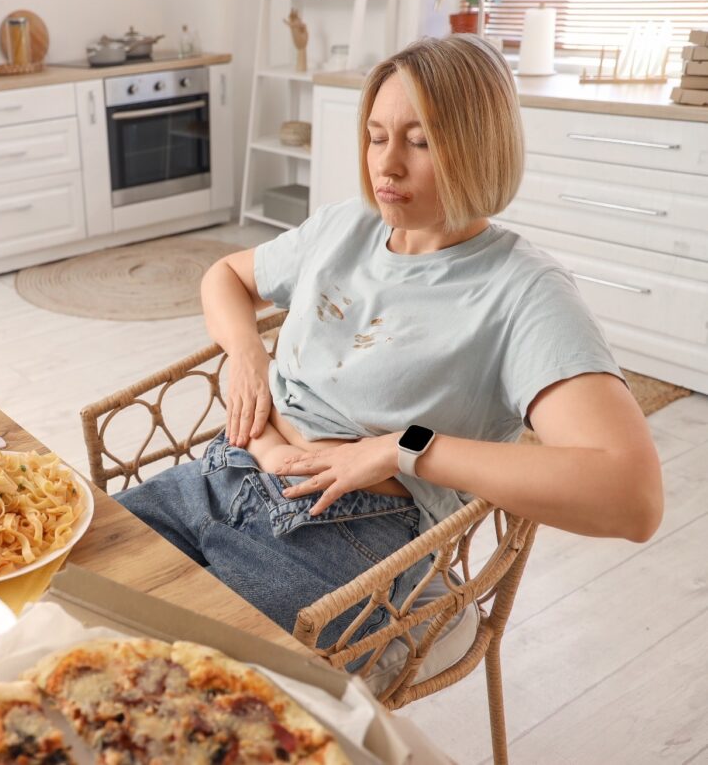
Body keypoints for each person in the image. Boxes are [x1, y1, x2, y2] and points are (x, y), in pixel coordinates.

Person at [116, 35, 663, 645]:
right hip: (226, 470)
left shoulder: (523, 292)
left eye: (420, 140)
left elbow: (631, 497)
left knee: (167, 684)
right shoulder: (346, 225)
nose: (387, 165)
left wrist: (405, 448)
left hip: (343, 530)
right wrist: (245, 353)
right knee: (56, 592)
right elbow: (225, 276)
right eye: (377, 136)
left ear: (481, 148)